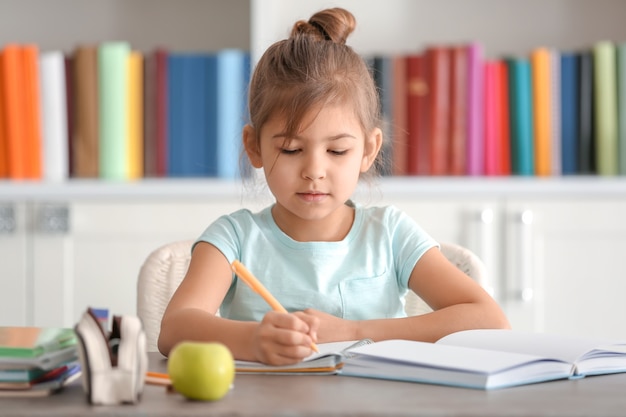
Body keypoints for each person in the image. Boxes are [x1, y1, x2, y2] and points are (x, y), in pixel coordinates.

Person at [158, 7, 510, 365]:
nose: (314, 171)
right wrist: (252, 339)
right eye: (291, 149)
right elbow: (173, 330)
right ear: (254, 147)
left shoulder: (391, 234)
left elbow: (490, 322)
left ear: (368, 150)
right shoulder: (233, 238)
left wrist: (354, 331)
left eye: (337, 150)